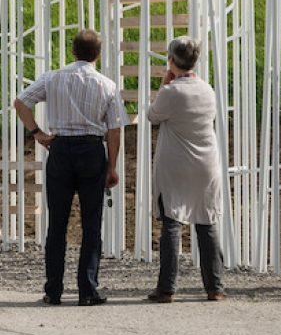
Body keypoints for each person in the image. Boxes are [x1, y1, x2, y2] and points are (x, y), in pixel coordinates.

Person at [12, 29, 126, 306]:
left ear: (73, 51)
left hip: (60, 148)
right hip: (91, 150)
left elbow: (20, 102)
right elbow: (114, 131)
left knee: (57, 223)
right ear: (98, 55)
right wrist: (112, 166)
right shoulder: (107, 85)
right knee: (91, 222)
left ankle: (53, 290)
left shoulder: (53, 77)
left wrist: (37, 132)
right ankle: (87, 289)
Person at [144, 37, 226, 303]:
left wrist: (164, 83)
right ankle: (215, 286)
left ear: (171, 59)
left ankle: (167, 287)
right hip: (207, 162)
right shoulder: (207, 89)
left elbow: (153, 116)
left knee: (172, 220)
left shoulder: (171, 92)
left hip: (176, 163)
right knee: (207, 220)